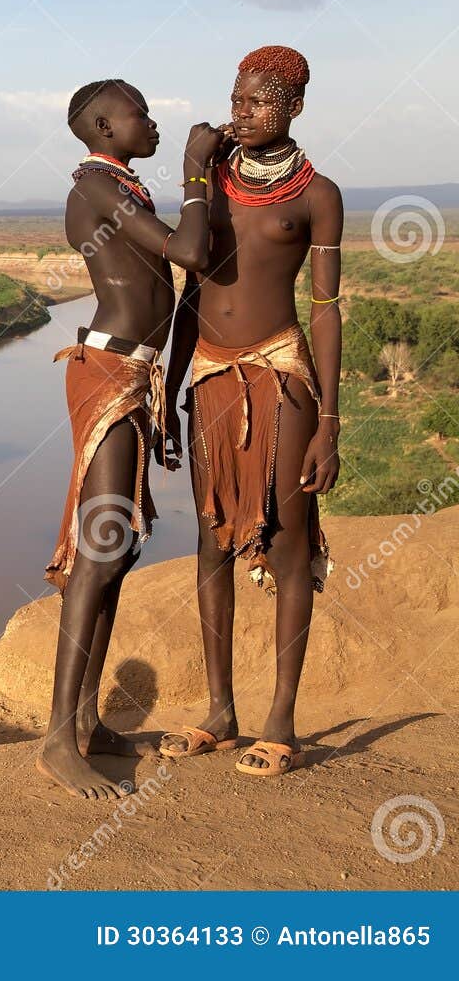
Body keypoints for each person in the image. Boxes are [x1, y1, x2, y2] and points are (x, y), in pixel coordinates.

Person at [37, 79, 227, 800]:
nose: (153, 121)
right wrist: (196, 168)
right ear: (104, 125)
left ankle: (85, 720)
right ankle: (58, 737)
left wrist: (169, 397)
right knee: (101, 542)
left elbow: (173, 293)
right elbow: (191, 253)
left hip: (136, 375)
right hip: (110, 370)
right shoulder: (93, 186)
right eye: (143, 113)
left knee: (120, 545)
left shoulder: (121, 189)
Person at [159, 46, 341, 778]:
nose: (240, 114)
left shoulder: (317, 194)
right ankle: (219, 710)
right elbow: (189, 288)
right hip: (207, 371)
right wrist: (171, 393)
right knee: (211, 539)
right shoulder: (212, 186)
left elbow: (326, 309)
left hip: (280, 368)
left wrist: (330, 421)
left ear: (292, 107)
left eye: (257, 103)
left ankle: (282, 719)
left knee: (289, 542)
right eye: (235, 100)